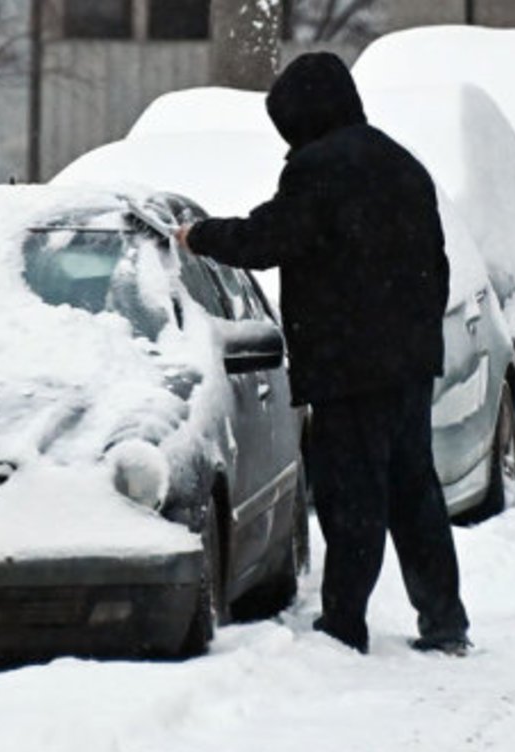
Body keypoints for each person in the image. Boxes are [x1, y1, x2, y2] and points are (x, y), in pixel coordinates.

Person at [177, 52, 471, 656]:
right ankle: (444, 621)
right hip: (408, 364)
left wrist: (199, 236)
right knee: (414, 491)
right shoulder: (402, 164)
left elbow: (268, 239)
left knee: (352, 498)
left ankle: (344, 624)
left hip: (348, 367)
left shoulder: (319, 170)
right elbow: (436, 267)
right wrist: (409, 332)